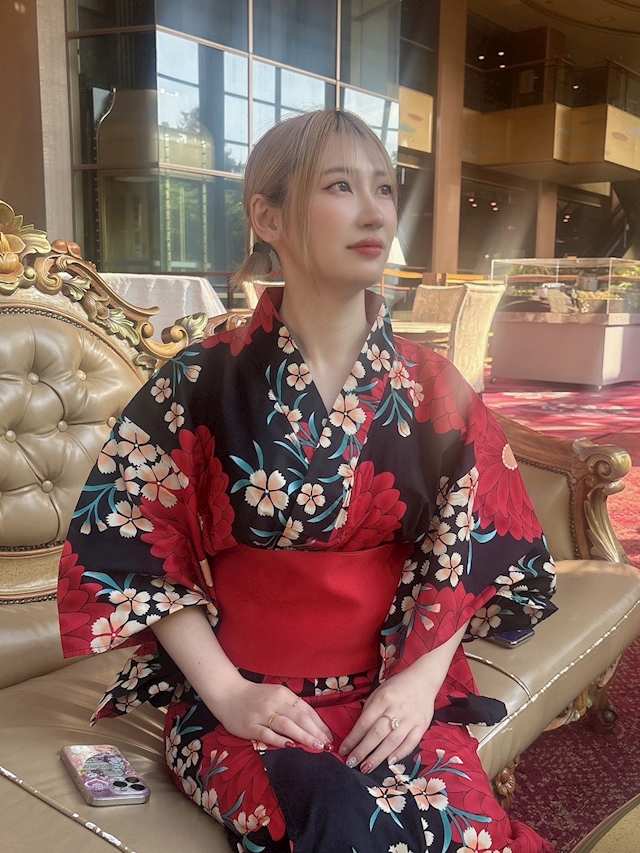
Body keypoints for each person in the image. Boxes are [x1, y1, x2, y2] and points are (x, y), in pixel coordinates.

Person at [58, 109, 557, 853]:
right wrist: (228, 692)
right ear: (268, 217)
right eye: (340, 186)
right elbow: (132, 547)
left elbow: (475, 548)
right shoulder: (200, 380)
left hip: (391, 692)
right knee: (337, 828)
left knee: (467, 833)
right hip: (249, 702)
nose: (375, 212)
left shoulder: (433, 387)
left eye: (384, 188)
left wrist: (419, 684)